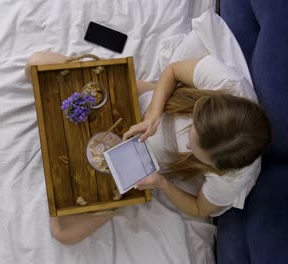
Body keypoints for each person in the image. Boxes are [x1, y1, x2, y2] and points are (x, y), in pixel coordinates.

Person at [26, 51, 272, 245]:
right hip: (146, 104)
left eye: (194, 150)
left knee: (63, 232)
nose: (187, 142)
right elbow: (174, 70)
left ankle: (108, 206)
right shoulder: (226, 84)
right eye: (193, 131)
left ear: (216, 166)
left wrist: (161, 184)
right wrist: (153, 114)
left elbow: (199, 208)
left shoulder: (230, 180)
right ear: (207, 104)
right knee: (35, 65)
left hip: (140, 160)